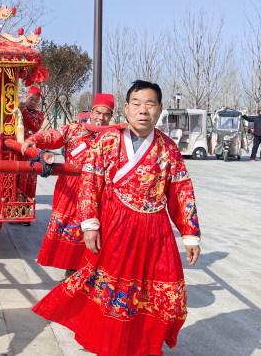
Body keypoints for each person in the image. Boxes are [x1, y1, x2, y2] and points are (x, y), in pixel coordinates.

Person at [32, 80, 201, 356]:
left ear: (159, 109)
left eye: (150, 104)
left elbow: (182, 191)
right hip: (116, 229)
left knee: (164, 294)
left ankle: (145, 344)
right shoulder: (108, 141)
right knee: (115, 292)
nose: (143, 110)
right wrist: (89, 224)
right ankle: (111, 344)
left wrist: (190, 235)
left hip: (156, 232)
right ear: (126, 108)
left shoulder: (168, 149)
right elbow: (90, 183)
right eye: (137, 103)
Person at [21, 93, 114, 278]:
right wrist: (33, 140)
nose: (101, 117)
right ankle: (72, 267)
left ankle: (93, 269)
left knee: (97, 227)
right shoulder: (75, 130)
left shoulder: (113, 136)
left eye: (106, 114)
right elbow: (53, 135)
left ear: (111, 116)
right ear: (91, 112)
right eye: (98, 112)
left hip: (99, 189)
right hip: (71, 188)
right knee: (70, 227)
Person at [7, 86, 45, 225]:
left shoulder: (39, 115)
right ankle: (11, 211)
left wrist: (23, 111)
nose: (33, 102)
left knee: (29, 182)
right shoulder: (16, 111)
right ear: (25, 98)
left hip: (29, 153)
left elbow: (35, 126)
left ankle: (25, 214)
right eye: (31, 99)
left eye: (36, 101)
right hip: (16, 150)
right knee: (14, 180)